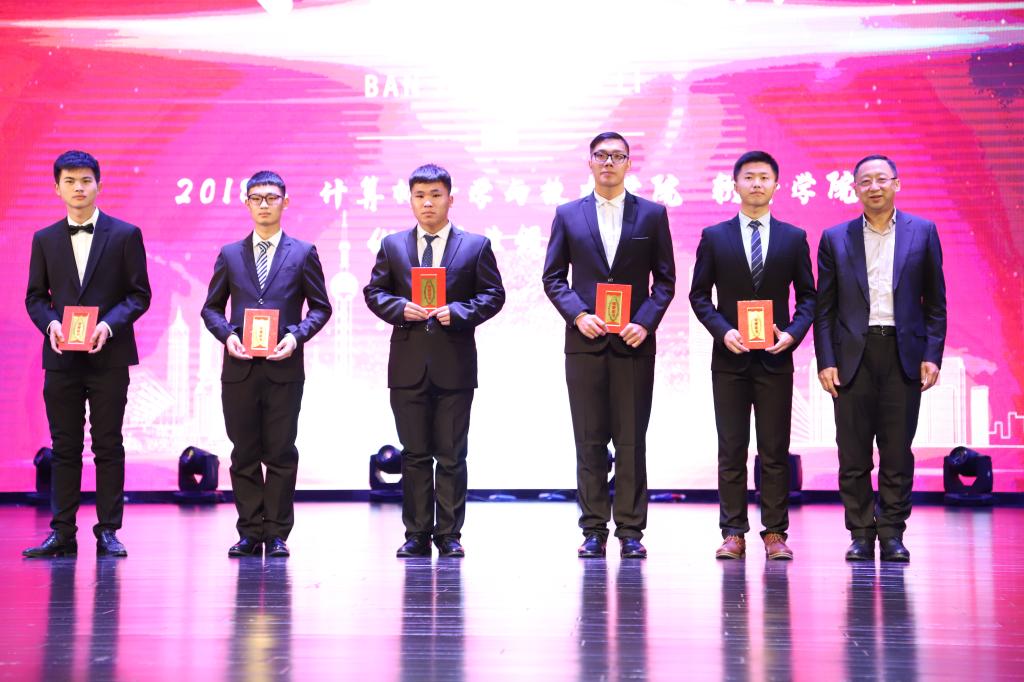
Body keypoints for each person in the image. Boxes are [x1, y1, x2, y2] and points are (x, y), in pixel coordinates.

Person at [542, 132, 676, 559]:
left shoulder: (652, 215)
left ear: (629, 164)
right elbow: (553, 278)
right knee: (589, 440)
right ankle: (594, 529)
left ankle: (631, 531)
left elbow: (666, 281)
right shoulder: (568, 215)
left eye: (617, 156)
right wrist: (579, 315)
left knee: (632, 441)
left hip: (634, 345)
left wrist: (645, 322)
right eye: (601, 155)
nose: (608, 163)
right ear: (589, 162)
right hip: (586, 343)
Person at [364, 164, 505, 558]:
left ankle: (449, 534)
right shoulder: (392, 245)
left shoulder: (475, 245)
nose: (428, 203)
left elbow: (493, 295)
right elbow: (374, 292)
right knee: (414, 455)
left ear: (450, 199)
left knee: (452, 455)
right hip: (407, 366)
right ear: (411, 200)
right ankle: (416, 534)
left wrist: (458, 312)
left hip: (454, 365)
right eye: (420, 196)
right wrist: (399, 308)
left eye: (436, 195)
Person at [814, 155, 946, 563]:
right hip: (852, 356)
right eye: (865, 181)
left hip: (903, 353)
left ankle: (891, 532)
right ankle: (859, 532)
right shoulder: (835, 238)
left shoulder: (923, 232)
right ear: (854, 189)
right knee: (852, 453)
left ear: (896, 184)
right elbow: (824, 308)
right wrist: (826, 360)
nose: (874, 187)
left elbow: (935, 303)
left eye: (881, 179)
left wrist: (932, 354)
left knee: (897, 451)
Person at [23, 150, 152, 558]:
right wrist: (51, 325)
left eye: (85, 180)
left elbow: (139, 295)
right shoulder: (44, 239)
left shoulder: (126, 234)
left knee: (108, 444)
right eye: (70, 181)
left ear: (99, 184)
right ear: (57, 188)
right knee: (64, 446)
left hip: (108, 356)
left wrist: (108, 325)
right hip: (61, 358)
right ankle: (62, 531)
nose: (78, 188)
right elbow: (34, 298)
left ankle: (108, 530)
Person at [689, 151, 816, 561]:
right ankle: (733, 533)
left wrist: (792, 334)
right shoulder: (715, 236)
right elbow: (698, 295)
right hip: (729, 359)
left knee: (775, 450)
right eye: (749, 177)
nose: (757, 183)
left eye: (764, 177)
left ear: (776, 185)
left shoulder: (793, 237)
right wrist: (723, 330)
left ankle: (775, 532)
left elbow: (809, 297)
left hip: (776, 359)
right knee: (731, 448)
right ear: (735, 185)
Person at [201, 170, 331, 558]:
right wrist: (228, 335)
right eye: (256, 198)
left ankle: (276, 533)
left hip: (283, 367)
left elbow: (320, 307)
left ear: (285, 202)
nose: (264, 205)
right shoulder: (230, 254)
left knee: (280, 451)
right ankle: (249, 531)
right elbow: (211, 308)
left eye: (271, 198)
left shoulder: (303, 252)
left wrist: (296, 336)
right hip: (239, 368)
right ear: (246, 203)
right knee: (243, 452)